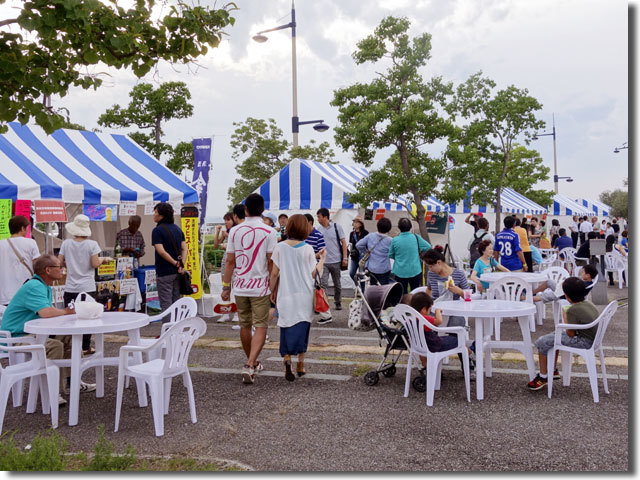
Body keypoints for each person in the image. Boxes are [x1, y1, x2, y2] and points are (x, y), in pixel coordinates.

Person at [0, 255, 95, 404]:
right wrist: (66, 312)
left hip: (30, 333)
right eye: (59, 267)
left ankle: (73, 382)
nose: (62, 270)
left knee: (70, 338)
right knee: (54, 346)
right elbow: (46, 312)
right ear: (48, 270)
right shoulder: (35, 286)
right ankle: (52, 391)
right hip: (17, 337)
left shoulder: (43, 286)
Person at [221, 193, 277, 384]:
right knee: (260, 324)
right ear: (263, 210)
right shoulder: (270, 232)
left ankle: (251, 362)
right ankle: (250, 363)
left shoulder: (235, 231)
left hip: (241, 285)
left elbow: (230, 261)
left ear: (245, 210)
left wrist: (226, 286)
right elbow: (271, 263)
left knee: (245, 324)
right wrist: (273, 286)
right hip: (260, 286)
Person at [269, 214, 326, 381]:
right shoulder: (307, 248)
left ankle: (287, 359)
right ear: (304, 228)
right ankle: (301, 364)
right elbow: (314, 272)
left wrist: (270, 291)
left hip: (285, 294)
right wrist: (322, 259)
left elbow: (274, 273)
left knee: (286, 327)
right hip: (304, 295)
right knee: (303, 329)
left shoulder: (279, 247)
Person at [527, 277, 599, 391]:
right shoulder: (588, 304)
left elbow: (570, 333)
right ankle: (553, 369)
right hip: (593, 339)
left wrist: (565, 315)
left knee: (542, 342)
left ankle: (543, 376)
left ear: (566, 295)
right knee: (554, 337)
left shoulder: (572, 310)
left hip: (584, 342)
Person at [58, 215, 112, 355]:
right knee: (88, 317)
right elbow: (94, 263)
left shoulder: (66, 244)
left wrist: (69, 263)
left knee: (70, 317)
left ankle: (71, 346)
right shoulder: (92, 244)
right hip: (87, 286)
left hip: (70, 286)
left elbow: (59, 262)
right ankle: (85, 346)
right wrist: (104, 259)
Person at [408, 291, 475, 372]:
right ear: (423, 309)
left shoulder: (410, 318)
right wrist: (437, 312)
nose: (429, 312)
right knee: (459, 341)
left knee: (433, 344)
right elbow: (439, 321)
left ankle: (427, 369)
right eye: (429, 309)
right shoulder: (424, 318)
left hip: (421, 346)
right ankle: (471, 353)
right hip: (435, 345)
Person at [151, 203, 188, 316]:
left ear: (161, 215)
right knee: (176, 302)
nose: (154, 215)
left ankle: (168, 331)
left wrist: (174, 263)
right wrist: (181, 265)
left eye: (155, 212)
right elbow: (185, 248)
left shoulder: (157, 231)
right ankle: (176, 330)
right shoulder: (177, 229)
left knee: (166, 305)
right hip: (178, 272)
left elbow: (161, 251)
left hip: (164, 272)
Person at [422, 247, 469, 332]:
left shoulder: (458, 274)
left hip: (454, 309)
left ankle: (453, 342)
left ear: (439, 263)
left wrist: (458, 291)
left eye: (431, 266)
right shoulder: (431, 274)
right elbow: (429, 289)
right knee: (425, 324)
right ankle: (433, 341)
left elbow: (468, 296)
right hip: (435, 308)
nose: (430, 269)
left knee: (458, 322)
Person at [0, 215, 40, 306]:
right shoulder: (31, 243)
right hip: (25, 293)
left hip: (4, 295)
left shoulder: (1, 244)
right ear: (22, 228)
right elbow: (37, 266)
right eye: (27, 228)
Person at [316, 208, 348, 321]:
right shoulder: (319, 229)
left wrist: (345, 258)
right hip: (324, 261)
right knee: (323, 284)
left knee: (337, 284)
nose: (318, 219)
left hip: (336, 260)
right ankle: (324, 306)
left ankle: (338, 302)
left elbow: (343, 243)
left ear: (325, 217)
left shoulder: (336, 227)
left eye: (319, 217)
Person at [389, 217, 431, 294]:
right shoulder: (416, 237)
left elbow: (390, 254)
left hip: (400, 270)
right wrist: (418, 253)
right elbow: (428, 246)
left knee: (401, 294)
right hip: (415, 269)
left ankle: (404, 305)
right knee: (415, 294)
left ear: (399, 227)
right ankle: (414, 306)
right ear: (410, 227)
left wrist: (399, 258)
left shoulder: (395, 240)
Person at [214, 212, 239, 324]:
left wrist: (227, 235)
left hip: (237, 261)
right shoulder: (226, 232)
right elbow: (215, 245)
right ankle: (225, 313)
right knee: (225, 287)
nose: (226, 222)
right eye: (225, 220)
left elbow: (237, 243)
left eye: (228, 220)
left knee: (237, 287)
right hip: (226, 261)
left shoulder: (237, 231)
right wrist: (218, 232)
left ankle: (238, 313)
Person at [532, 264, 598, 304]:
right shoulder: (587, 283)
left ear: (588, 275)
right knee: (549, 282)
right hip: (564, 290)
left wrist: (565, 284)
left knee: (547, 295)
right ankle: (533, 292)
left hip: (565, 295)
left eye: (583, 272)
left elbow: (574, 290)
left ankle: (526, 298)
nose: (581, 273)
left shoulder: (585, 285)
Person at [356, 217, 393, 286]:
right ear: (389, 228)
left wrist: (365, 252)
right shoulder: (390, 240)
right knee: (383, 290)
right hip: (384, 268)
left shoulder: (370, 236)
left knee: (373, 288)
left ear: (377, 226)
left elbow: (358, 245)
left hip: (372, 268)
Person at [348, 216, 368, 291]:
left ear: (360, 224)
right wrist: (351, 251)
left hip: (362, 257)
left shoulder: (366, 233)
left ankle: (362, 291)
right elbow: (351, 244)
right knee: (351, 273)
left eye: (356, 222)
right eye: (354, 222)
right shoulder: (352, 234)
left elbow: (367, 245)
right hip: (354, 257)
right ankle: (358, 286)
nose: (354, 224)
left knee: (361, 275)